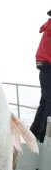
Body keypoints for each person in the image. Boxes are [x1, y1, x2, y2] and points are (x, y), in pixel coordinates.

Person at [30, 9, 51, 143]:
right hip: (48, 66)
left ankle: (36, 132)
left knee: (45, 101)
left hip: (44, 67)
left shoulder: (48, 26)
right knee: (49, 101)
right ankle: (47, 136)